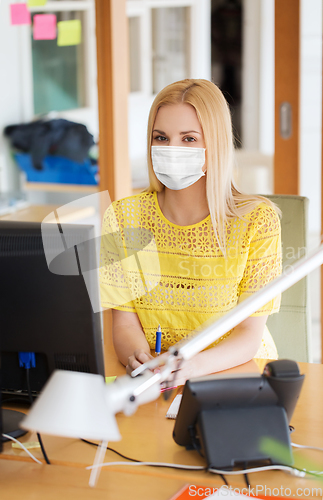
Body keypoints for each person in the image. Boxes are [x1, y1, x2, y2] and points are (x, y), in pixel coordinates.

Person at [100, 79, 281, 386]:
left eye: (188, 139)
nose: (171, 149)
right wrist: (139, 359)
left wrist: (190, 367)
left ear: (215, 144)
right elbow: (124, 322)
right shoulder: (122, 216)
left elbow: (249, 335)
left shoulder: (257, 221)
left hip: (236, 377)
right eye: (161, 137)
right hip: (155, 383)